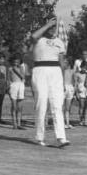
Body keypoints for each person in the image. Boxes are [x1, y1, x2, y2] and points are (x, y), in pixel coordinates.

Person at [30, 18, 69, 147]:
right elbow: (33, 36)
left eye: (54, 27)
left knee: (57, 104)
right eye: (50, 27)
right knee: (41, 104)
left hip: (56, 72)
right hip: (40, 70)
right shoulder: (38, 39)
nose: (52, 29)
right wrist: (47, 24)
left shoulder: (59, 42)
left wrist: (63, 81)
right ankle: (40, 137)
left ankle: (61, 137)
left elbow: (62, 63)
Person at [7, 54, 26, 130]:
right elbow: (8, 79)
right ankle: (14, 123)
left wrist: (17, 70)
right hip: (13, 85)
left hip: (21, 85)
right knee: (14, 106)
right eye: (14, 62)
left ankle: (19, 123)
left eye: (17, 62)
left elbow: (23, 77)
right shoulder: (10, 69)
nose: (16, 63)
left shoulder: (22, 68)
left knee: (20, 107)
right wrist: (8, 87)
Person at [62, 57, 75, 129]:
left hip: (70, 88)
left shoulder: (72, 71)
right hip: (63, 88)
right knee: (61, 107)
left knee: (67, 108)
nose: (64, 64)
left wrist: (74, 89)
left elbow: (74, 80)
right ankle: (62, 123)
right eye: (64, 62)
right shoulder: (62, 71)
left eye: (65, 62)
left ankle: (67, 123)